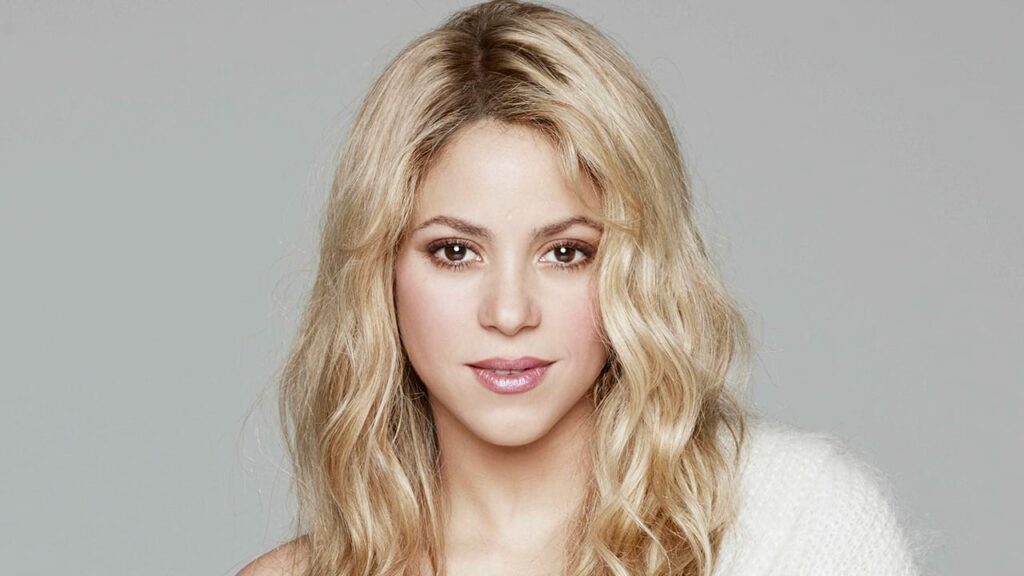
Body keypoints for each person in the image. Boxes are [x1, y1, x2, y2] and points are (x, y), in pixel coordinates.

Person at [238, 1, 921, 575]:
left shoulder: (793, 522)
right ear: (379, 271)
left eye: (566, 253)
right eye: (455, 252)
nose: (509, 312)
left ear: (636, 268)